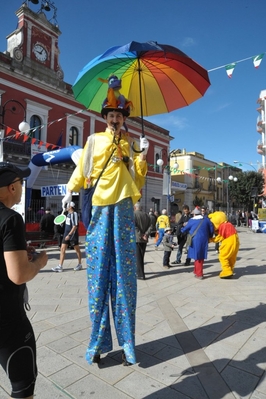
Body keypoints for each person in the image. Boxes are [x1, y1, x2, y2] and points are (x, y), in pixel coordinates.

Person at [61, 89, 149, 366]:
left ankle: (127, 344)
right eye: (111, 115)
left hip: (123, 206)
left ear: (124, 119)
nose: (115, 119)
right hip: (99, 207)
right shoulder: (94, 140)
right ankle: (97, 342)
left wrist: (143, 154)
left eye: (119, 116)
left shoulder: (131, 142)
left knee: (124, 276)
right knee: (98, 275)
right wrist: (70, 190)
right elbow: (83, 168)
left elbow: (138, 176)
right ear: (105, 118)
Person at [0, 162, 48, 399]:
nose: (22, 188)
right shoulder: (10, 219)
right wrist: (38, 262)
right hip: (7, 321)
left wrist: (18, 254)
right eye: (20, 183)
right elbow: (18, 275)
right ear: (11, 187)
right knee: (22, 386)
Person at [181, 207, 214, 279]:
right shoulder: (206, 220)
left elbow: (185, 229)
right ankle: (196, 271)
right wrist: (209, 236)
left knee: (198, 256)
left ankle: (199, 274)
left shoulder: (192, 220)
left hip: (195, 239)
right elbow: (211, 229)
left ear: (195, 214)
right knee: (200, 256)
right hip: (204, 239)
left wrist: (181, 229)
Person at [52, 202, 82, 272]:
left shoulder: (74, 214)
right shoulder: (68, 214)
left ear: (70, 207)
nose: (66, 208)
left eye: (67, 206)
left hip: (72, 235)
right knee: (62, 248)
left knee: (77, 249)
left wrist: (69, 235)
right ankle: (60, 266)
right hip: (66, 234)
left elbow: (75, 226)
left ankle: (80, 264)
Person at [134, 202, 151, 280]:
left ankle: (140, 274)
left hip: (137, 238)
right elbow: (151, 226)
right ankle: (139, 272)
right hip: (144, 239)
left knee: (138, 257)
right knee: (141, 256)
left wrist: (140, 235)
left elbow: (134, 226)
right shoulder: (147, 215)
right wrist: (146, 234)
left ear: (135, 207)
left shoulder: (134, 214)